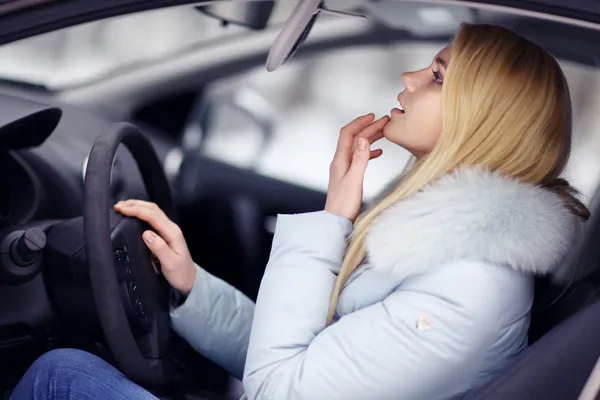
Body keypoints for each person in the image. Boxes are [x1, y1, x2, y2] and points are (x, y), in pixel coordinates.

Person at [10, 23, 590, 400]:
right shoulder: (446, 250)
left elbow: (276, 389)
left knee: (61, 375)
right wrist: (190, 286)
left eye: (437, 76)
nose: (409, 80)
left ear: (479, 117)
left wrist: (334, 219)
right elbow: (304, 361)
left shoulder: (466, 289)